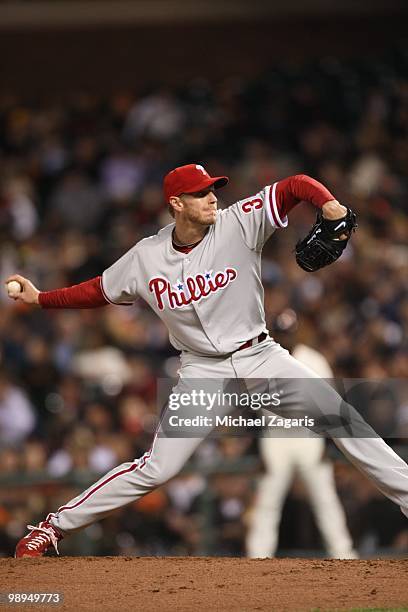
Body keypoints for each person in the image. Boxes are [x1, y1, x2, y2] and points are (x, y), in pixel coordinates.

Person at [7, 163, 408, 558]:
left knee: (344, 419)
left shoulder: (238, 222)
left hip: (260, 357)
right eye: (201, 193)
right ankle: (52, 527)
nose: (213, 197)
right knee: (157, 468)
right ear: (176, 203)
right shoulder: (146, 256)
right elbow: (99, 290)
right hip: (202, 371)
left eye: (213, 189)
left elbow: (293, 186)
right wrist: (41, 298)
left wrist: (330, 204)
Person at [246, 311, 358, 559]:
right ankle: (257, 556)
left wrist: (326, 445)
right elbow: (253, 409)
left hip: (309, 437)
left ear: (296, 332)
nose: (286, 337)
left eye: (289, 332)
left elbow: (330, 407)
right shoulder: (262, 361)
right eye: (282, 332)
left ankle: (343, 554)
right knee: (267, 501)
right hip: (276, 439)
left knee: (325, 498)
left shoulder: (314, 360)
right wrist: (259, 448)